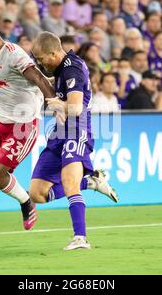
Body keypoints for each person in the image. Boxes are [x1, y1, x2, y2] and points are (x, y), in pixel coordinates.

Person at [0, 17, 56, 246]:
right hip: (1, 120)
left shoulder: (15, 54)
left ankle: (26, 202)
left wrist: (53, 102)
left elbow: (37, 77)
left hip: (23, 125)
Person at [29, 31, 118, 250]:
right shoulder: (61, 68)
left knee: (69, 182)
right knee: (37, 193)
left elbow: (76, 108)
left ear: (53, 52)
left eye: (41, 59)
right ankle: (89, 182)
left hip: (77, 129)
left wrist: (58, 105)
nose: (40, 63)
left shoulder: (72, 68)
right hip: (58, 133)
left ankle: (80, 238)